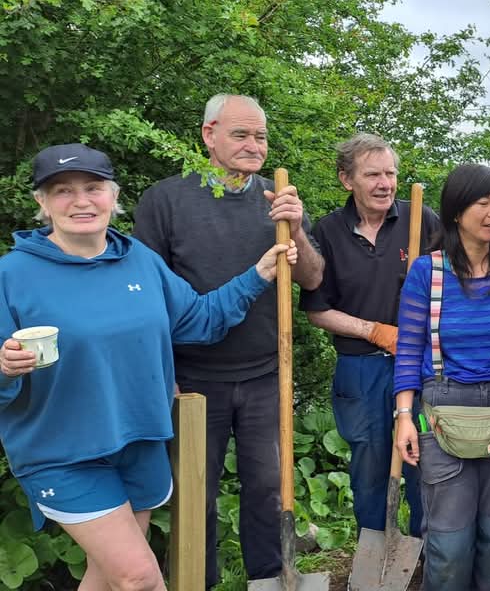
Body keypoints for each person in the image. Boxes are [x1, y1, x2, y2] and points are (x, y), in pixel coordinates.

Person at [0, 143, 296, 591]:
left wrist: (257, 275)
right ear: (42, 203)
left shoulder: (138, 258)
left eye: (93, 188)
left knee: (108, 577)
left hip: (139, 440)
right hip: (63, 452)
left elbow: (199, 320)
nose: (81, 201)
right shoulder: (13, 273)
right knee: (139, 578)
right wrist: (5, 367)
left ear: (113, 196)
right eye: (63, 190)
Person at [133, 94, 324, 587]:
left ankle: (268, 578)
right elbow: (147, 300)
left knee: (267, 487)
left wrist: (297, 230)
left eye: (260, 135)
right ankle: (199, 580)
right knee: (196, 493)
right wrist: (165, 377)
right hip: (193, 379)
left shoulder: (277, 201)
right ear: (208, 135)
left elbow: (313, 278)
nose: (253, 145)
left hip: (265, 373)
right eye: (240, 134)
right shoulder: (165, 201)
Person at [393, 163, 490, 591]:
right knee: (449, 545)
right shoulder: (427, 272)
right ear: (457, 211)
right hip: (441, 414)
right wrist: (405, 416)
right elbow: (408, 348)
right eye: (484, 203)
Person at [300, 133, 439, 540]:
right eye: (373, 174)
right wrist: (376, 332)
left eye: (391, 174)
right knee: (369, 466)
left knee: (424, 463)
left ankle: (427, 555)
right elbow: (317, 311)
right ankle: (374, 552)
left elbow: (453, 284)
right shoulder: (327, 232)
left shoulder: (420, 221)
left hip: (419, 365)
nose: (385, 183)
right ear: (347, 180)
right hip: (359, 370)